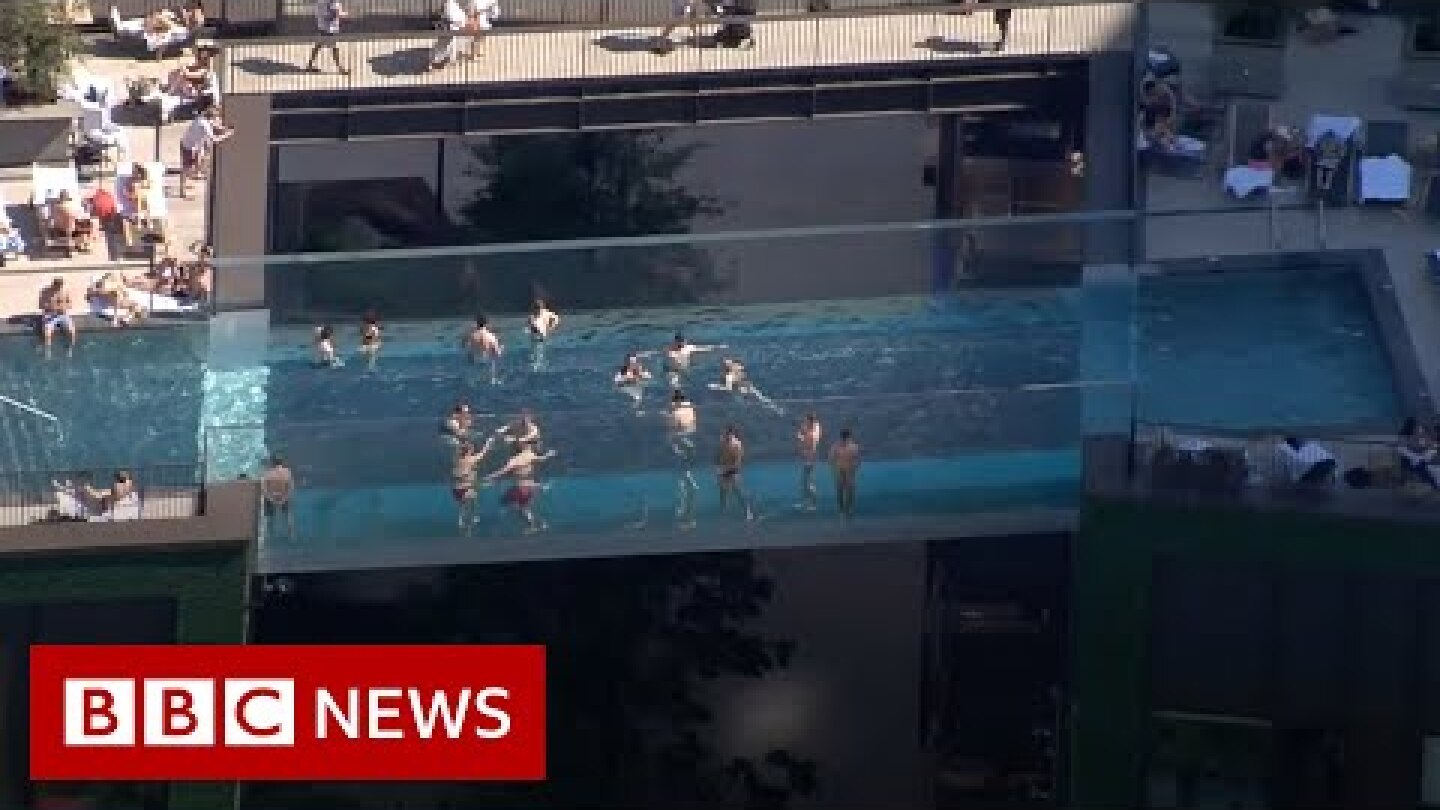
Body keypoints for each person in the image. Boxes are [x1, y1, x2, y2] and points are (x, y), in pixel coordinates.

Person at [482, 440, 557, 534]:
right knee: (523, 509)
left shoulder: (514, 460)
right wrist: (549, 454)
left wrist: (489, 477)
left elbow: (502, 471)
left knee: (505, 502)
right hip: (529, 489)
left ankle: (499, 521)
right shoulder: (530, 455)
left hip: (520, 489)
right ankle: (538, 524)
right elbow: (541, 459)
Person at [179, 108, 232, 199]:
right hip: (189, 146)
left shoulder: (201, 119)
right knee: (187, 168)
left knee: (199, 159)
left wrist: (225, 128)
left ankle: (193, 177)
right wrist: (227, 135)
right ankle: (183, 191)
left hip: (194, 145)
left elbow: (215, 126)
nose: (218, 120)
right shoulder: (204, 124)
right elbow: (215, 139)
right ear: (212, 118)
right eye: (216, 118)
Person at [667, 389, 699, 525]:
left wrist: (673, 445)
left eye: (672, 401)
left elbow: (672, 431)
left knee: (679, 471)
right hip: (692, 440)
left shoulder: (675, 413)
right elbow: (693, 424)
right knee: (685, 467)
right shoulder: (690, 408)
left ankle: (682, 504)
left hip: (681, 441)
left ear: (676, 401)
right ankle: (693, 485)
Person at [708, 356, 783, 413]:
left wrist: (717, 386)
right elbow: (730, 387)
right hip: (742, 389)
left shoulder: (732, 373)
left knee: (758, 401)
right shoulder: (732, 374)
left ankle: (774, 408)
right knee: (758, 401)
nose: (731, 364)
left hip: (743, 389)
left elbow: (729, 388)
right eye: (728, 363)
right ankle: (774, 408)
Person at [715, 425, 755, 522]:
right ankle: (723, 513)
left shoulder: (737, 445)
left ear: (731, 434)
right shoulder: (723, 442)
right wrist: (719, 469)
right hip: (724, 469)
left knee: (738, 492)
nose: (724, 435)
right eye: (724, 434)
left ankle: (748, 512)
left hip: (733, 470)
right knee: (723, 493)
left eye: (726, 434)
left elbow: (738, 461)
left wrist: (729, 469)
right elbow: (719, 455)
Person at [451, 437, 493, 530]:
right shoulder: (471, 459)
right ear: (469, 451)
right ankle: (472, 519)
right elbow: (483, 453)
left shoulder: (457, 459)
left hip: (456, 490)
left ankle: (462, 521)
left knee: (465, 505)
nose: (473, 450)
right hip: (465, 487)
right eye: (471, 449)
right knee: (472, 501)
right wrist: (488, 442)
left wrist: (460, 443)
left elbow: (458, 475)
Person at [660, 333, 725, 388]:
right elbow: (666, 362)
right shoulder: (669, 351)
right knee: (675, 385)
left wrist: (717, 347)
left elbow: (703, 348)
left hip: (685, 368)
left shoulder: (688, 348)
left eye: (682, 342)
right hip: (673, 371)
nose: (681, 344)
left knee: (690, 384)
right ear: (675, 342)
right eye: (679, 342)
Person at [304, 0, 349, 75]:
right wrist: (344, 15)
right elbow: (338, 12)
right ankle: (341, 69)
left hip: (322, 25)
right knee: (334, 48)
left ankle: (309, 65)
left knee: (318, 45)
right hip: (329, 27)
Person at [1398, 417, 1440, 490]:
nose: (1420, 430)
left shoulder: (1421, 440)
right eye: (1418, 428)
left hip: (1427, 463)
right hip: (1421, 465)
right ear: (1413, 428)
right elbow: (1416, 451)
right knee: (1435, 469)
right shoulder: (1404, 443)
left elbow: (1427, 447)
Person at [260, 454, 296, 538]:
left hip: (271, 497)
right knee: (288, 516)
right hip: (284, 496)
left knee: (270, 518)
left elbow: (264, 489)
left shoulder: (268, 473)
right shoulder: (287, 472)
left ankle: (270, 534)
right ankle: (291, 534)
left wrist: (271, 499)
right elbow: (291, 487)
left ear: (273, 462)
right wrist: (284, 498)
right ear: (282, 462)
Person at [429, 0, 469, 72]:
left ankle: (442, 60)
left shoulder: (452, 5)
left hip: (450, 28)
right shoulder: (450, 5)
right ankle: (436, 62)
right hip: (448, 27)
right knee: (443, 44)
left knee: (446, 44)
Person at [38, 277, 77, 353]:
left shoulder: (64, 292)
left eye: (60, 286)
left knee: (71, 331)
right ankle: (47, 351)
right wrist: (51, 307)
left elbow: (70, 304)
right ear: (53, 285)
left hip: (63, 314)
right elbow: (40, 305)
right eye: (57, 286)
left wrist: (63, 308)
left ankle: (70, 349)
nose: (59, 288)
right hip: (50, 315)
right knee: (47, 333)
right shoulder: (45, 292)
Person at [829, 428, 861, 518]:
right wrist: (834, 470)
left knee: (850, 491)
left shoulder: (853, 447)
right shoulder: (836, 446)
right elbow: (831, 459)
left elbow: (857, 459)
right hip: (840, 471)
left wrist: (854, 469)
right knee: (840, 490)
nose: (845, 439)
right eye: (844, 437)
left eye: (846, 438)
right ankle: (842, 509)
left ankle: (848, 508)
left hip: (849, 471)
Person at [464, 315, 504, 383]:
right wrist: (501, 348)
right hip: (488, 363)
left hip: (476, 363)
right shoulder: (491, 336)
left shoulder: (472, 336)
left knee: (476, 381)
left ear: (476, 323)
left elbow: (469, 354)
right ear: (486, 324)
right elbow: (497, 354)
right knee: (491, 382)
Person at [796, 411, 822, 511]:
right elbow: (812, 425)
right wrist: (804, 428)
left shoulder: (812, 434)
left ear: (810, 421)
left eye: (806, 420)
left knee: (809, 482)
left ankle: (813, 504)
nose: (805, 422)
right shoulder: (816, 426)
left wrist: (800, 436)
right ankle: (806, 502)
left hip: (810, 460)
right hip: (809, 458)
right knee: (805, 482)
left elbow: (805, 440)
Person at [527, 298, 560, 370]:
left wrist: (551, 327)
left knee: (541, 352)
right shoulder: (532, 317)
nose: (538, 311)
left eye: (539, 309)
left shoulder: (547, 313)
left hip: (543, 336)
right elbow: (533, 326)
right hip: (537, 337)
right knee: (537, 352)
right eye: (537, 309)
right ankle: (536, 365)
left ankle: (538, 365)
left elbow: (556, 319)